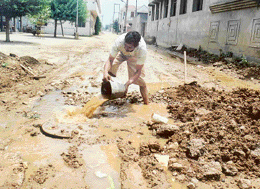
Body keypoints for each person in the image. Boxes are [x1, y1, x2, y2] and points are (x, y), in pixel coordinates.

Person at [103, 31, 149, 104]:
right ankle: (109, 92)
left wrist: (127, 84)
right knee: (110, 69)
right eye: (125, 45)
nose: (126, 48)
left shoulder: (142, 49)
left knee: (140, 81)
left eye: (129, 47)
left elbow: (138, 71)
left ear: (136, 46)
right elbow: (110, 60)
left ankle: (146, 104)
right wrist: (105, 73)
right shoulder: (119, 41)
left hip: (134, 57)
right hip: (121, 53)